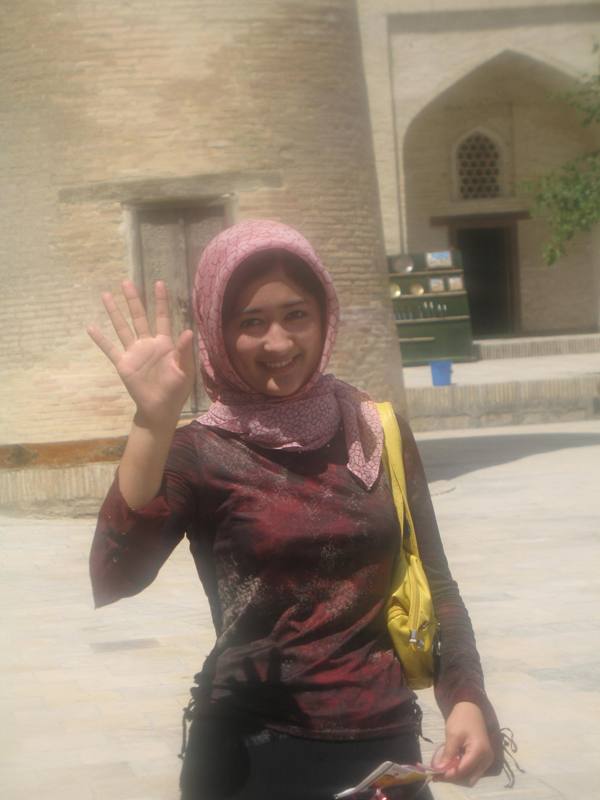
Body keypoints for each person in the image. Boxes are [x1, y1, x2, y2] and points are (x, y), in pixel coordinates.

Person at [88, 219, 507, 800]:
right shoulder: (200, 450)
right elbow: (114, 577)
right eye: (251, 323)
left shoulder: (375, 429)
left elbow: (435, 580)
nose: (278, 343)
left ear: (324, 316)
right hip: (249, 751)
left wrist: (464, 696)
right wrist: (151, 423)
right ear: (217, 328)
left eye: (296, 315)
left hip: (381, 747)